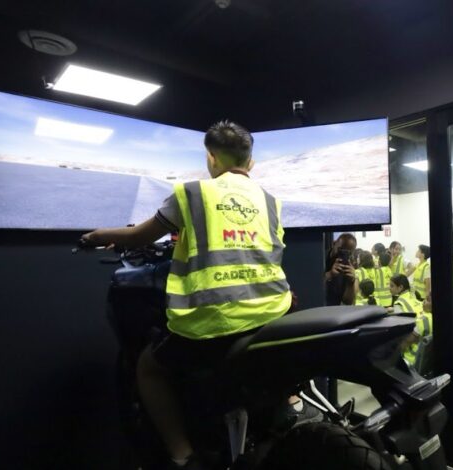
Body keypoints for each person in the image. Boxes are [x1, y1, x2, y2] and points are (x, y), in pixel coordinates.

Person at [81, 121, 294, 470]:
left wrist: (96, 236)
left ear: (211, 158)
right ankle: (286, 401)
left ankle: (183, 456)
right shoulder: (271, 202)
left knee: (148, 367)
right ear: (251, 162)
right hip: (271, 311)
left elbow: (140, 237)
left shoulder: (191, 193)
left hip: (214, 320)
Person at [402, 293, 433, 366]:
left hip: (411, 360)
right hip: (427, 361)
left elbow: (404, 343)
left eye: (428, 300)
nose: (423, 302)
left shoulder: (423, 321)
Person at [325, 233, 357, 305]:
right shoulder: (321, 258)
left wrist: (351, 282)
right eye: (340, 249)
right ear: (333, 244)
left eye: (348, 253)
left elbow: (348, 302)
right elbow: (311, 286)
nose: (342, 254)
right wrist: (329, 274)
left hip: (334, 311)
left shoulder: (348, 267)